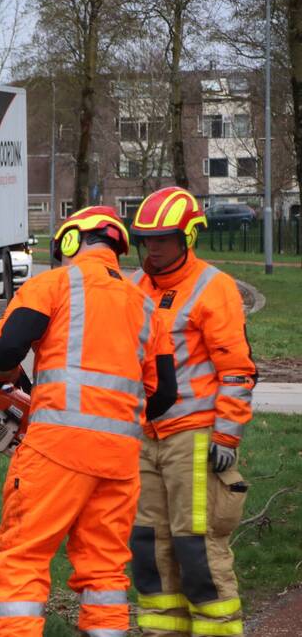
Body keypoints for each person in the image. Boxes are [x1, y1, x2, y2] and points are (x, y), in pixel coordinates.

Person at [0, 206, 177, 637]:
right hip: (119, 460)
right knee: (105, 570)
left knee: (23, 557)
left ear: (71, 241)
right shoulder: (146, 307)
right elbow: (164, 394)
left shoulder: (53, 284)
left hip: (57, 450)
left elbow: (9, 347)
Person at [128, 187, 255, 637]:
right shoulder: (135, 287)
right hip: (144, 438)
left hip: (195, 438)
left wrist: (226, 435)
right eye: (147, 238)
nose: (153, 246)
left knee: (197, 547)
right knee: (149, 547)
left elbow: (237, 371)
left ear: (188, 236)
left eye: (163, 237)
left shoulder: (212, 287)